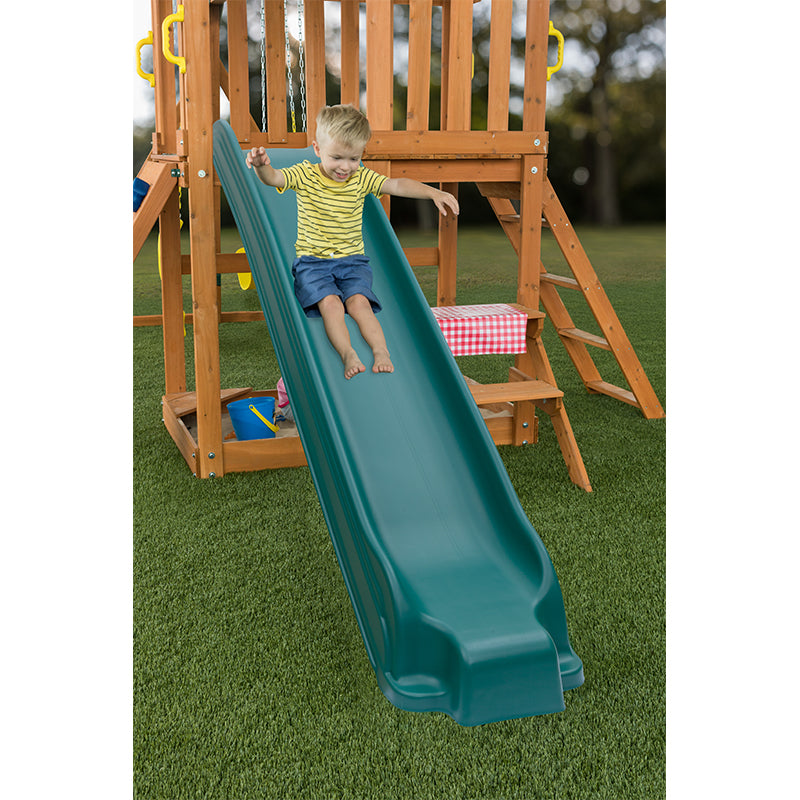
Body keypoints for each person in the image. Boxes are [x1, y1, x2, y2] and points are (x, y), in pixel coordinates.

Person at [246, 104, 459, 379]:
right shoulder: (305, 175)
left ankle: (381, 351)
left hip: (353, 263)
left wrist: (432, 192)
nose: (345, 167)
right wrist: (262, 167)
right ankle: (348, 353)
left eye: (354, 158)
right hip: (313, 264)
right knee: (331, 305)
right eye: (337, 157)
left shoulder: (361, 178)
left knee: (360, 304)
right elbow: (274, 178)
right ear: (317, 149)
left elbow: (396, 184)